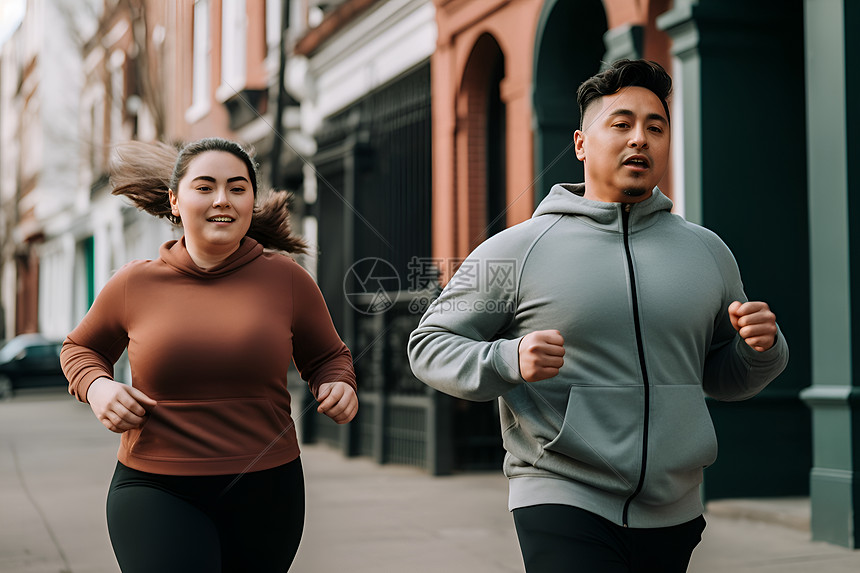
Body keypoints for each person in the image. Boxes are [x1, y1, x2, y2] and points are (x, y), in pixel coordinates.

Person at [407, 59, 788, 573]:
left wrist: (760, 350)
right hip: (561, 493)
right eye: (622, 124)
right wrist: (507, 357)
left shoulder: (708, 252)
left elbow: (722, 377)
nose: (640, 139)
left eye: (655, 127)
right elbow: (429, 343)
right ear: (581, 144)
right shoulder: (514, 250)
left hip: (675, 508)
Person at [61, 137, 358, 572]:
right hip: (155, 488)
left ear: (251, 201)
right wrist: (98, 387)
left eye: (238, 188)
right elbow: (79, 348)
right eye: (205, 187)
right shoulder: (133, 284)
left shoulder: (287, 279)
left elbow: (329, 357)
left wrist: (338, 383)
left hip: (266, 489)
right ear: (175, 201)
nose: (223, 199)